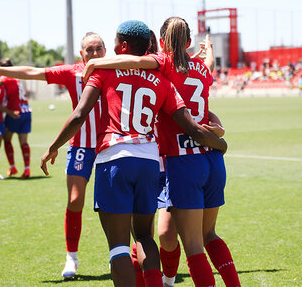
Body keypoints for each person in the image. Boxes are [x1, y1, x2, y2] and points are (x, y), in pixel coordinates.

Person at [40, 20, 227, 287]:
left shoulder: (104, 72)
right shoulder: (162, 80)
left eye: (114, 42)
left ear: (124, 45)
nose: (110, 49)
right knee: (146, 237)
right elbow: (191, 123)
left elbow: (80, 114)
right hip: (150, 161)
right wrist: (219, 141)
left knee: (118, 246)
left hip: (114, 158)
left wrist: (53, 146)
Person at [0, 32, 106, 278]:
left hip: (110, 144)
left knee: (112, 203)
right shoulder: (71, 72)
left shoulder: (115, 69)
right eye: (90, 50)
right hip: (81, 145)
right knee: (75, 201)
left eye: (99, 49)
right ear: (81, 54)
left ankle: (117, 254)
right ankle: (71, 259)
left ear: (106, 51)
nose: (95, 54)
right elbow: (32, 72)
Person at [0, 58, 33, 179]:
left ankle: (12, 167)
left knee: (7, 139)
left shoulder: (6, 77)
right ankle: (27, 169)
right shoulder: (17, 79)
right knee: (24, 142)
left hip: (15, 112)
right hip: (27, 111)